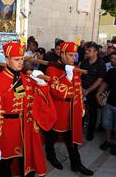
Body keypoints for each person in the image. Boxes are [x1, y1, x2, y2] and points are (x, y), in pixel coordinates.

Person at [0, 42, 57, 177]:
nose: (20, 62)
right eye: (16, 59)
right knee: (5, 166)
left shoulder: (26, 79)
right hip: (7, 132)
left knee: (27, 164)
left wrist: (41, 83)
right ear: (6, 60)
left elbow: (40, 100)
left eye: (22, 59)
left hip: (27, 130)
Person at [45, 41, 93, 175]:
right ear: (62, 54)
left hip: (73, 109)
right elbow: (57, 91)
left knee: (72, 140)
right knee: (52, 137)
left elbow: (77, 89)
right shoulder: (52, 69)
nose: (74, 58)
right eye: (71, 55)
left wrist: (81, 106)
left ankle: (76, 164)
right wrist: (69, 77)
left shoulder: (74, 68)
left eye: (75, 55)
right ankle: (51, 155)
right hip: (58, 110)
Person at [80, 42, 106, 141]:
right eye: (86, 50)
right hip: (82, 90)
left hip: (94, 91)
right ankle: (80, 129)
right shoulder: (84, 62)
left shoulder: (101, 63)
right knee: (82, 111)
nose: (86, 52)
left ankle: (90, 132)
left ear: (96, 52)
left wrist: (88, 90)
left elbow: (100, 79)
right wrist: (82, 89)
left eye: (89, 50)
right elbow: (80, 76)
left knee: (92, 113)